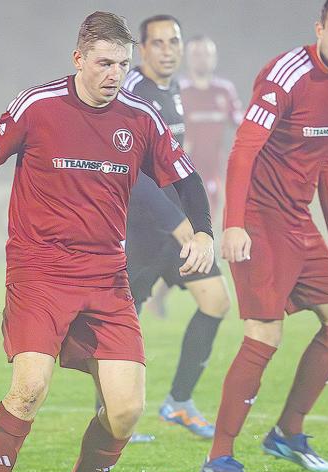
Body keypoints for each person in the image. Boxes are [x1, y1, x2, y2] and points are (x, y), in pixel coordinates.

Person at [0, 12, 214, 472]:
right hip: (39, 268)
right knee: (30, 387)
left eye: (122, 64)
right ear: (79, 59)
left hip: (105, 275)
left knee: (126, 410)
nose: (115, 74)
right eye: (105, 63)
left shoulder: (139, 118)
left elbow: (188, 179)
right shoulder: (38, 106)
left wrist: (203, 231)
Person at [200, 0, 328, 472]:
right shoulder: (285, 74)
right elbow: (243, 150)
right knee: (264, 333)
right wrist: (233, 223)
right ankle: (219, 456)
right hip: (259, 219)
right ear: (319, 29)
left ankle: (287, 433)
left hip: (298, 221)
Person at [113, 14, 230, 442]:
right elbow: (128, 171)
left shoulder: (171, 90)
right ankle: (111, 413)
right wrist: (174, 219)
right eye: (157, 43)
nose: (167, 50)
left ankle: (178, 402)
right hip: (141, 231)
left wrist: (193, 218)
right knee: (125, 323)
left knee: (216, 301)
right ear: (141, 50)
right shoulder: (134, 95)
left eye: (173, 42)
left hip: (176, 230)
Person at [180, 35, 244, 224]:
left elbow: (241, 122)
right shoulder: (178, 90)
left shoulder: (224, 90)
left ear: (215, 58)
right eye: (197, 54)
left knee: (209, 223)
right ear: (188, 58)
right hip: (184, 171)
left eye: (207, 54)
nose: (203, 58)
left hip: (214, 169)